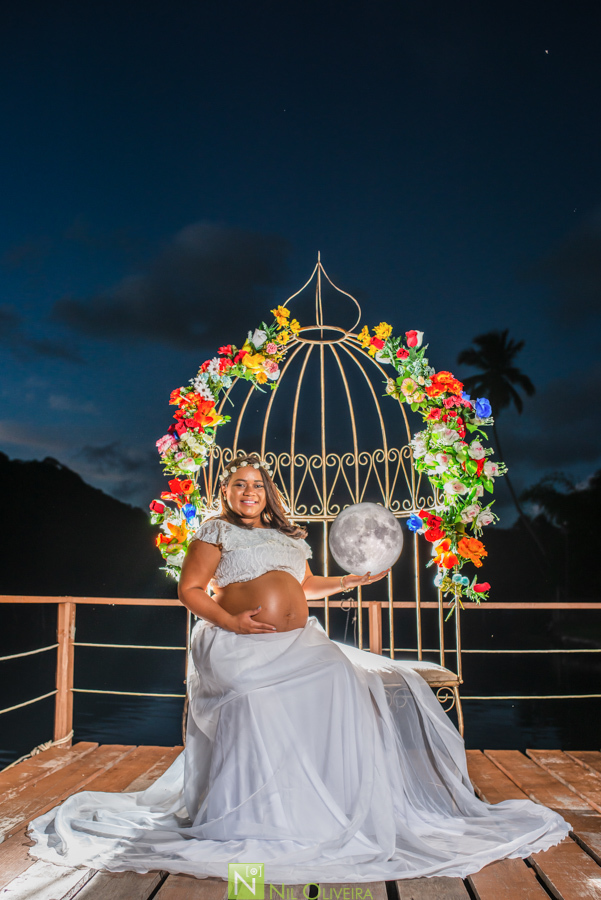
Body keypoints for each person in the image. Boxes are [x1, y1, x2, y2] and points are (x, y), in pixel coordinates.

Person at [27, 454, 570, 884]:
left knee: (342, 684)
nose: (248, 492)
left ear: (268, 493)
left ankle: (322, 811)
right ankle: (248, 820)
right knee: (253, 701)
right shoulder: (215, 533)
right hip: (237, 642)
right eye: (239, 484)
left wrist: (347, 584)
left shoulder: (289, 537)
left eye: (256, 486)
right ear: (225, 492)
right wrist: (232, 623)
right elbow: (189, 590)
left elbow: (305, 585)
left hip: (298, 641)